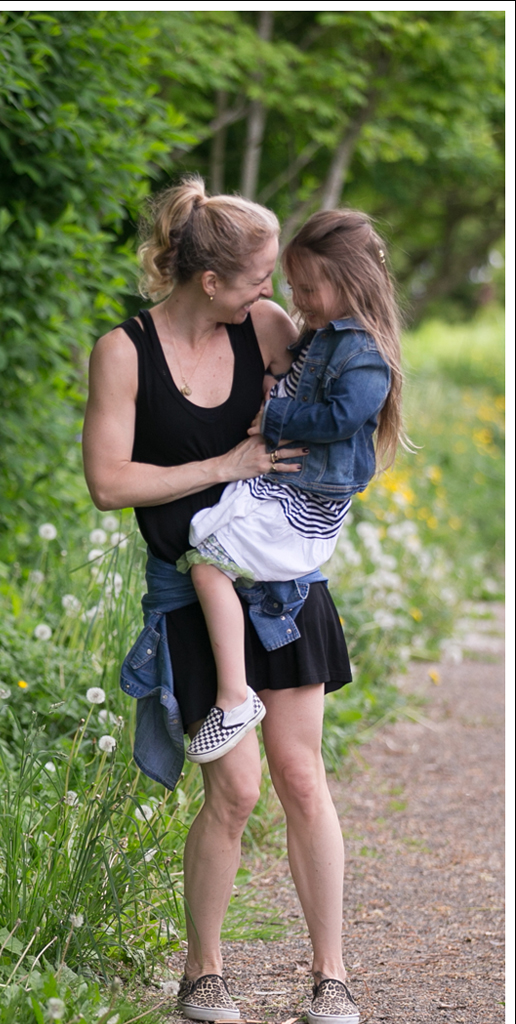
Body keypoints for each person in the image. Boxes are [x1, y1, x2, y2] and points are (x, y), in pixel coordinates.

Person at [83, 175, 361, 1024]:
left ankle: (332, 973)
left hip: (281, 585)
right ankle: (202, 972)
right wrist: (222, 467)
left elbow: (348, 381)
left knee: (300, 775)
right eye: (257, 279)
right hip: (191, 592)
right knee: (235, 788)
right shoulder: (124, 352)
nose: (272, 294)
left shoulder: (270, 330)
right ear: (210, 281)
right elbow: (107, 483)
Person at [179, 210, 403, 768]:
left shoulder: (364, 351)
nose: (297, 301)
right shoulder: (326, 336)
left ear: (351, 282)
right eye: (294, 288)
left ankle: (234, 699)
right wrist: (277, 388)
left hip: (307, 496)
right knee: (209, 552)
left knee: (207, 562)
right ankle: (236, 691)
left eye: (308, 289)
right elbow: (301, 383)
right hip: (289, 485)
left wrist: (276, 419)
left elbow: (342, 417)